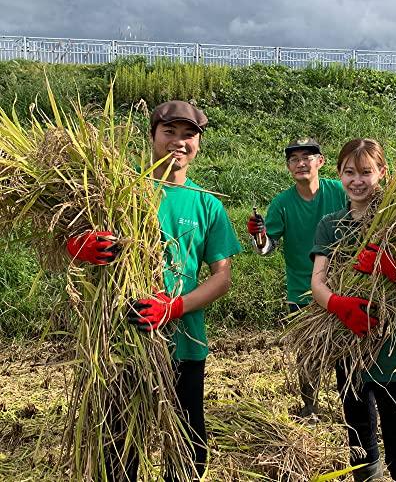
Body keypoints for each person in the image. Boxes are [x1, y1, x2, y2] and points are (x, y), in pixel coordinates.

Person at [66, 100, 242, 481]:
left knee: (188, 444)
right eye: (169, 133)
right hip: (122, 339)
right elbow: (71, 237)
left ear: (198, 144)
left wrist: (173, 308)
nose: (179, 142)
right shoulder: (117, 189)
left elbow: (221, 277)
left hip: (184, 340)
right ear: (152, 137)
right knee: (119, 446)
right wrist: (80, 246)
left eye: (188, 135)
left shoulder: (206, 203)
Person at [310, 138, 396, 482]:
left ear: (382, 172)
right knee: (362, 456)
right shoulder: (331, 225)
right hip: (349, 353)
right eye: (349, 172)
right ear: (338, 174)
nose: (357, 180)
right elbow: (318, 283)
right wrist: (339, 304)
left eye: (366, 171)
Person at [246, 137, 346, 417]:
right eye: (294, 159)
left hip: (343, 287)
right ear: (289, 166)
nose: (301, 163)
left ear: (320, 161)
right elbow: (267, 249)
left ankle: (352, 405)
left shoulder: (338, 191)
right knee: (307, 354)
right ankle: (310, 406)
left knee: (348, 351)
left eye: (308, 157)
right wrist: (259, 235)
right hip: (302, 291)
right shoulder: (282, 203)